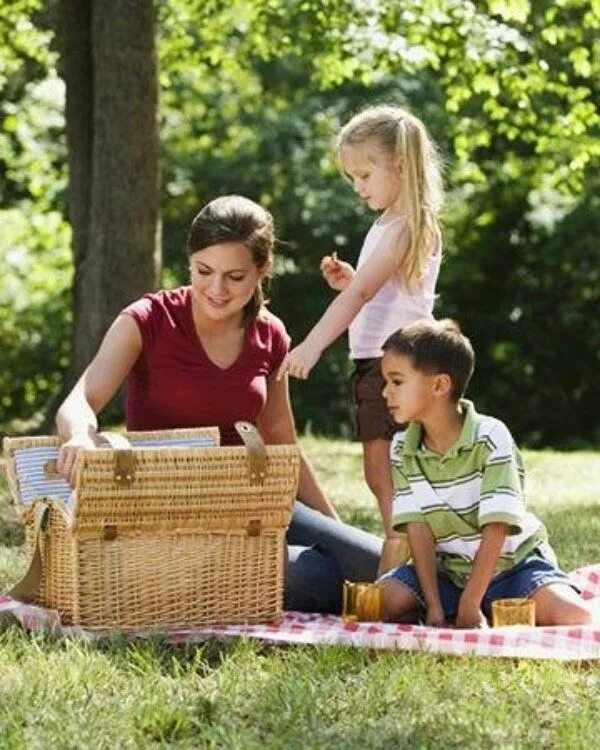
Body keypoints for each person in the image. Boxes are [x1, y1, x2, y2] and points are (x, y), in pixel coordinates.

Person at [55, 194, 381, 614]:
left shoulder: (270, 335)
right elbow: (80, 399)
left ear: (262, 271)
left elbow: (281, 438)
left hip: (250, 501)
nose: (216, 289)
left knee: (374, 563)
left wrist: (332, 529)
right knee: (312, 577)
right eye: (203, 271)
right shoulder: (147, 320)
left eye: (235, 276)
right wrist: (81, 435)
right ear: (189, 261)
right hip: (170, 509)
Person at [278, 104, 444, 540]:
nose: (357, 187)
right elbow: (380, 291)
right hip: (387, 362)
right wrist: (351, 279)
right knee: (386, 469)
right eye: (352, 178)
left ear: (400, 165)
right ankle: (406, 551)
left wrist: (312, 345)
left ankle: (403, 556)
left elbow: (363, 295)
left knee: (387, 471)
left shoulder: (404, 226)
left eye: (364, 176)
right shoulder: (390, 225)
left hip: (394, 364)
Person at [378, 318, 593, 628]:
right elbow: (419, 531)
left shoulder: (491, 437)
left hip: (515, 569)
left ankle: (484, 607)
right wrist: (435, 606)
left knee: (577, 618)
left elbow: (497, 526)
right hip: (448, 574)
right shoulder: (402, 447)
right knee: (376, 603)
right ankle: (458, 609)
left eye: (396, 381)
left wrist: (470, 602)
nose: (385, 392)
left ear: (439, 385)